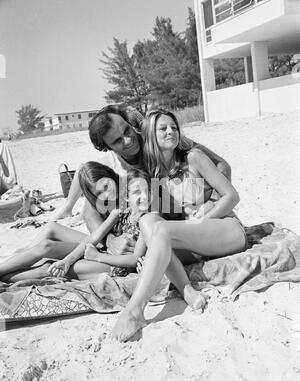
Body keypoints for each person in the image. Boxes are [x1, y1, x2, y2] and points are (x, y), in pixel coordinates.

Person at [111, 109, 247, 342]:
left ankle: (134, 311)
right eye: (163, 128)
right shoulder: (152, 173)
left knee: (162, 230)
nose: (170, 131)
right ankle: (186, 289)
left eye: (173, 127)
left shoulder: (193, 157)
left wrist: (202, 220)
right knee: (148, 220)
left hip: (224, 228)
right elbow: (147, 217)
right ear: (150, 136)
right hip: (193, 236)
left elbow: (231, 196)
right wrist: (148, 249)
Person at [53, 105, 231, 234]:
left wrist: (212, 202)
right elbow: (89, 212)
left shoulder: (156, 138)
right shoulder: (111, 166)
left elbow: (221, 166)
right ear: (107, 147)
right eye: (117, 141)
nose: (128, 140)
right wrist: (110, 242)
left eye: (126, 131)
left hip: (190, 220)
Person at [0, 162, 149, 283]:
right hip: (104, 252)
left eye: (106, 186)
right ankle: (10, 264)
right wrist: (67, 260)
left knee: (49, 268)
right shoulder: (118, 209)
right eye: (98, 193)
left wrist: (97, 256)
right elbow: (94, 237)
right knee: (47, 246)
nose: (106, 194)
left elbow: (134, 257)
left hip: (116, 265)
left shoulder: (142, 214)